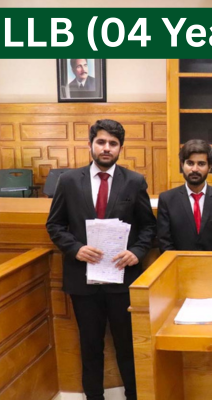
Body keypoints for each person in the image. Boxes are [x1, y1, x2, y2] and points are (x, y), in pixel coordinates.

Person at [46, 119, 157, 400]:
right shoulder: (69, 181)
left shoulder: (134, 181)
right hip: (83, 280)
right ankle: (94, 397)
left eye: (113, 144)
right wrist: (75, 248)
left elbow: (148, 227)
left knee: (128, 345)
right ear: (90, 144)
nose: (107, 148)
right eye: (101, 142)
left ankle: (134, 396)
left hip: (123, 279)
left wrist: (137, 252)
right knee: (90, 346)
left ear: (120, 148)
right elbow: (55, 225)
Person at [157, 139, 212, 252]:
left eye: (201, 164)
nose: (195, 169)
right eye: (190, 163)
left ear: (210, 167)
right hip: (179, 262)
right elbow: (164, 241)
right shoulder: (167, 199)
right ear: (182, 165)